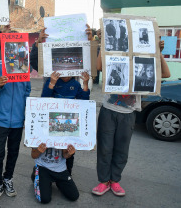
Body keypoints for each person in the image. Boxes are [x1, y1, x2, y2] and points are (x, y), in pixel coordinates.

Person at [92, 40, 171, 196]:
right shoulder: (116, 59)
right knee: (105, 148)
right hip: (108, 110)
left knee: (122, 149)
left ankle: (114, 181)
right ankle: (103, 181)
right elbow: (99, 67)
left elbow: (166, 74)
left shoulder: (142, 64)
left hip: (128, 114)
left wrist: (158, 53)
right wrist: (103, 45)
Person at [0, 56, 31, 204]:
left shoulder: (24, 66)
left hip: (18, 120)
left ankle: (8, 179)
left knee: (13, 151)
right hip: (0, 119)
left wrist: (26, 116)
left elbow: (27, 92)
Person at [41, 71, 90, 176]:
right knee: (51, 149)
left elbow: (85, 103)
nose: (67, 75)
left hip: (69, 124)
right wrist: (52, 83)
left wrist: (85, 84)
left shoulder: (76, 84)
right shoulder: (52, 81)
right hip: (53, 123)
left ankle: (67, 176)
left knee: (69, 151)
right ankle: (45, 174)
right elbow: (43, 100)